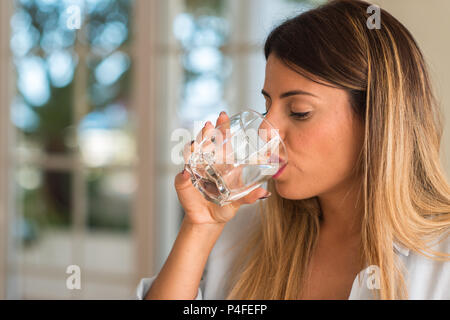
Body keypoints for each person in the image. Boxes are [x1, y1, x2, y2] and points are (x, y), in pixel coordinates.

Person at [137, 0, 450, 300]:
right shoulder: (244, 235)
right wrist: (201, 228)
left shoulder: (442, 260)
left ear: (376, 118)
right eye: (267, 105)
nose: (264, 129)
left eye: (299, 111)